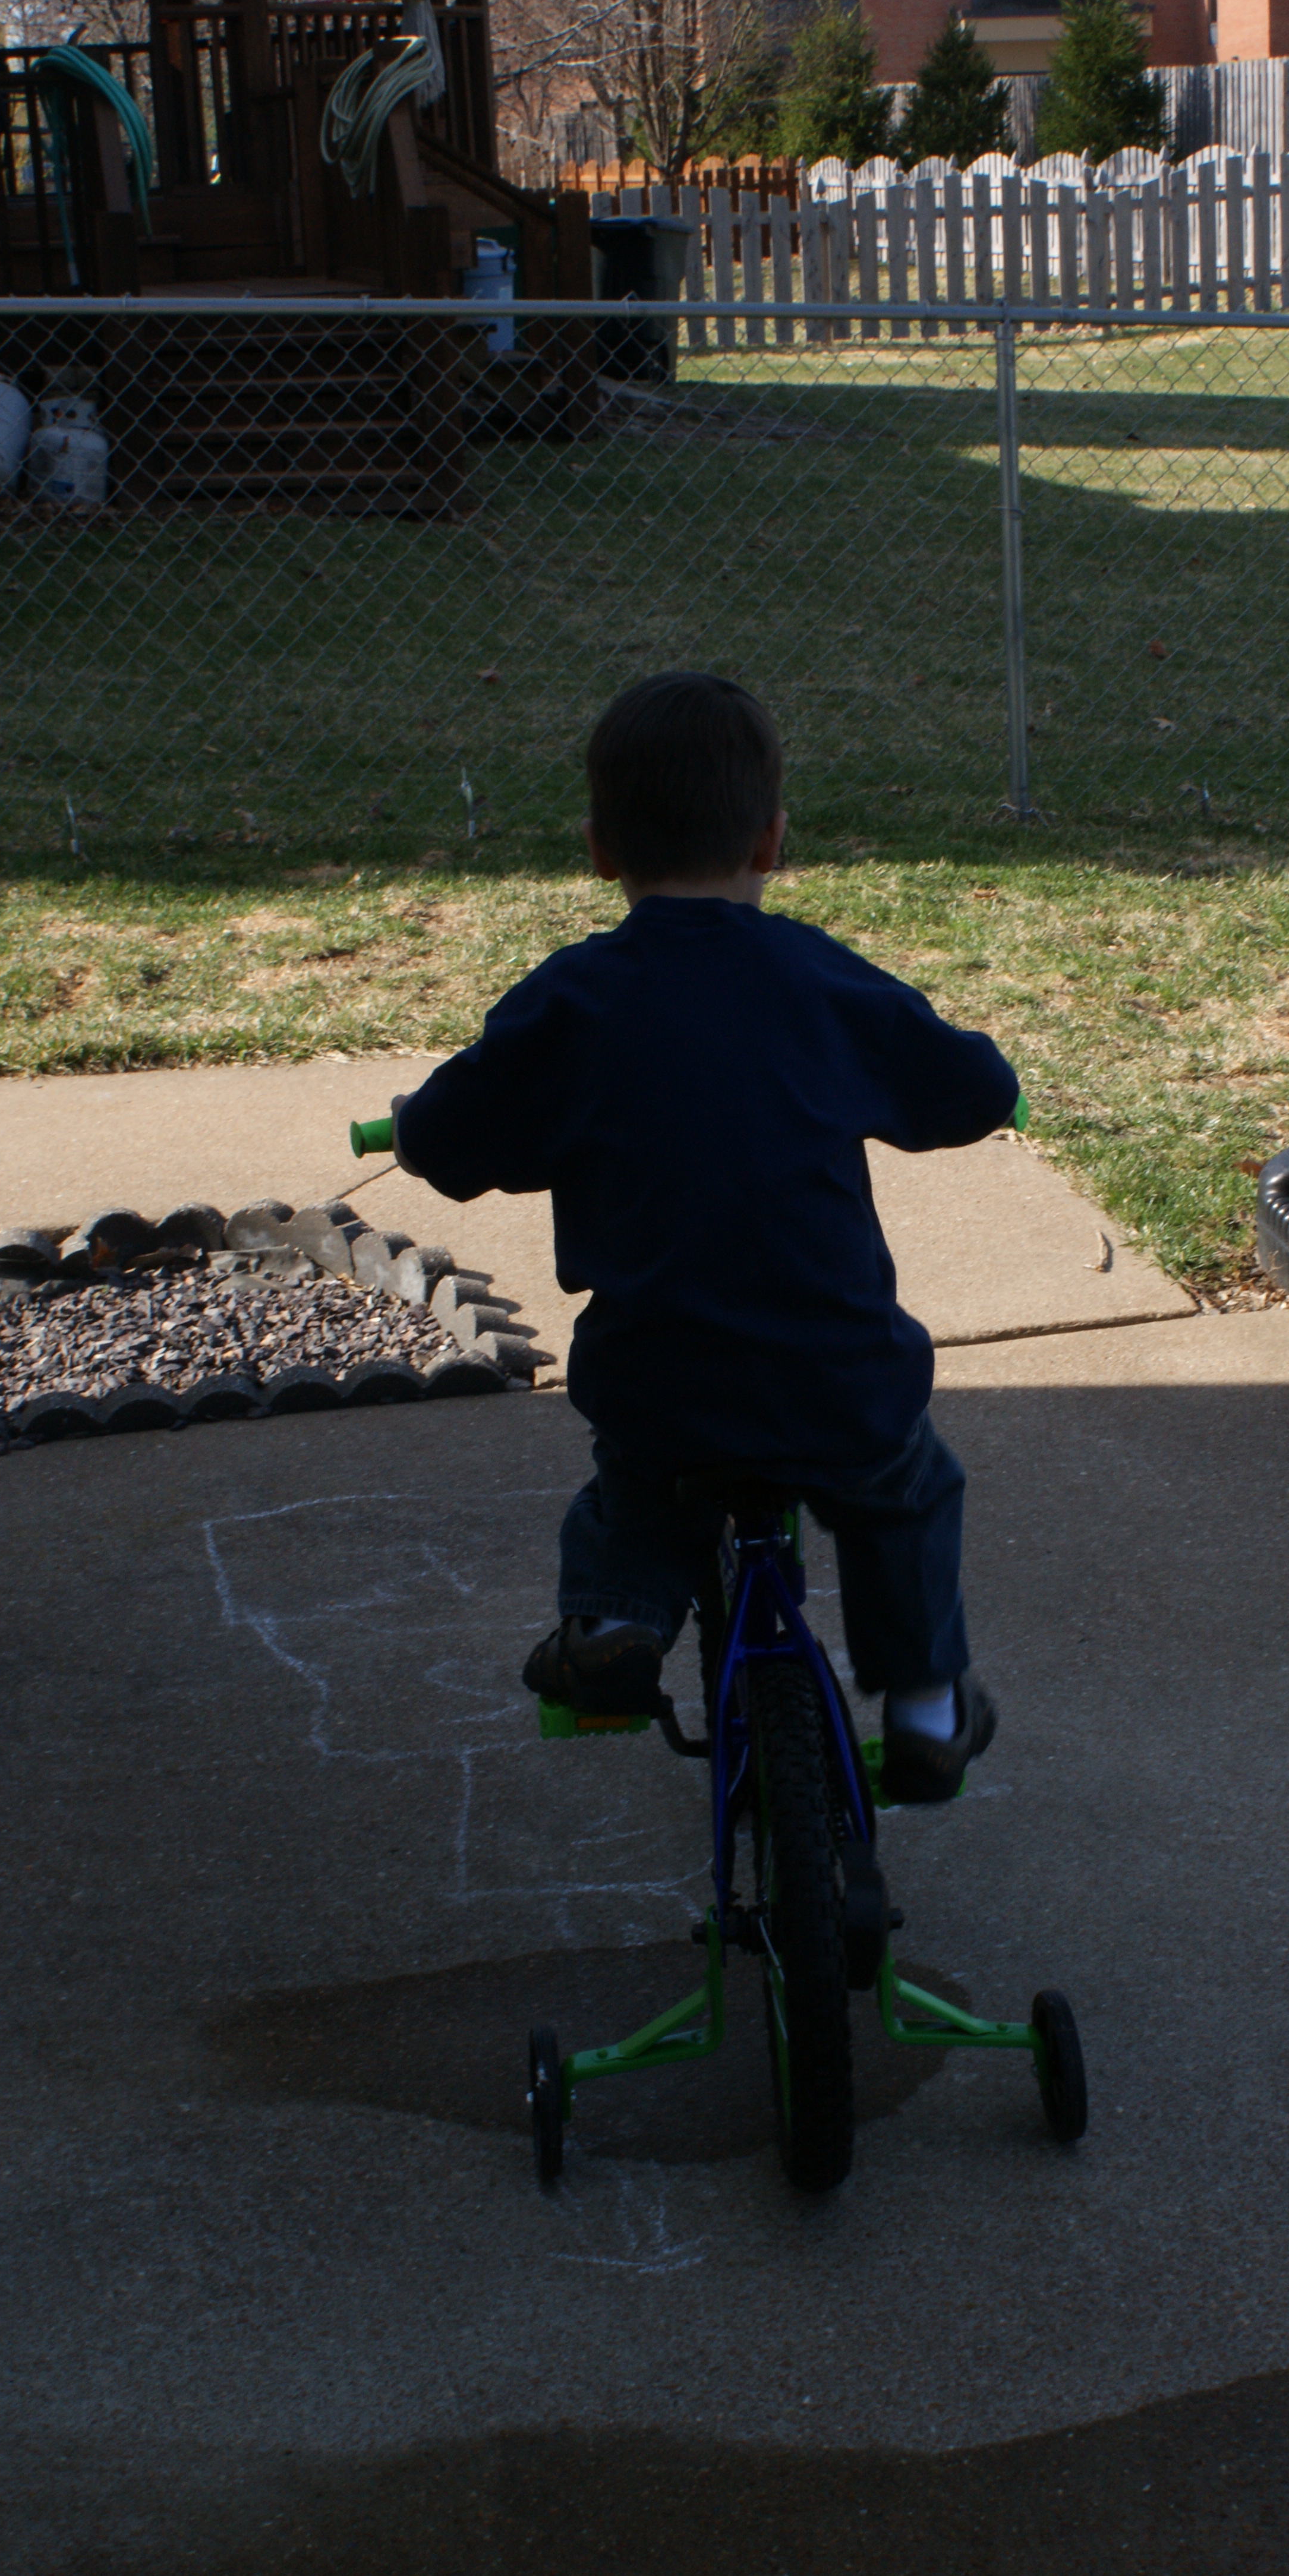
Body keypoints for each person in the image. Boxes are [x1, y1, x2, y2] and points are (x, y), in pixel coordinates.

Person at [391, 671, 1018, 1803]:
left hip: (663, 1376)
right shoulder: (822, 981)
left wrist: (422, 1128)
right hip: (838, 1377)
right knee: (907, 1489)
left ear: (598, 851)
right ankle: (928, 1704)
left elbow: (447, 1139)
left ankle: (615, 1623)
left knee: (639, 1481)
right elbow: (973, 1090)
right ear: (772, 840)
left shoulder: (571, 1002)